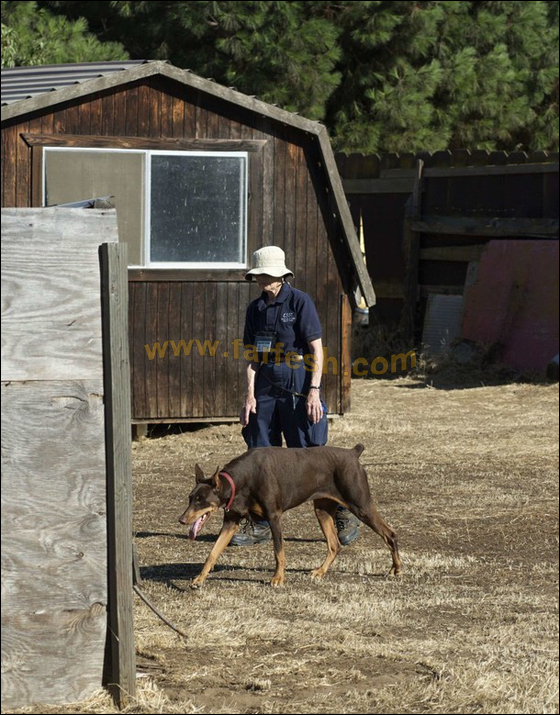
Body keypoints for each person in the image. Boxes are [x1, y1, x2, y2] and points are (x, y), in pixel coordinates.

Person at [230, 245, 361, 547]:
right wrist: (249, 396)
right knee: (259, 454)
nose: (261, 280)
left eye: (265, 275)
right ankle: (261, 523)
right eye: (258, 275)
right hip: (265, 384)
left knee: (311, 454)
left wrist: (313, 391)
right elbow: (251, 357)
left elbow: (317, 349)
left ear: (280, 275)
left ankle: (342, 511)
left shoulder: (300, 302)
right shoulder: (255, 310)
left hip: (298, 383)